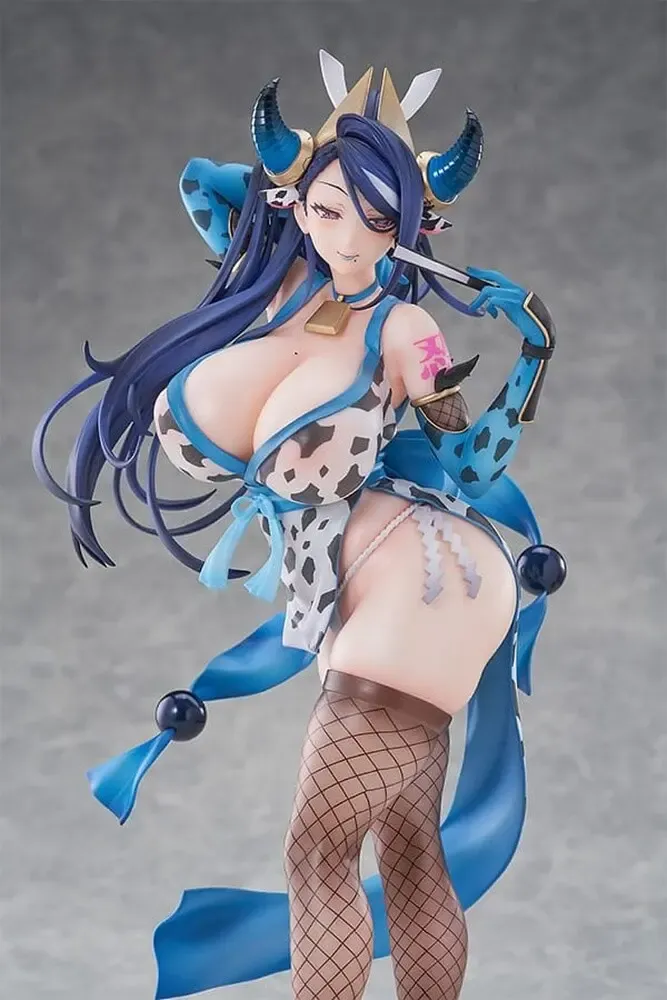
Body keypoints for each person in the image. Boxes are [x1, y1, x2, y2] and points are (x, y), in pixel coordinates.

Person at [33, 50, 566, 1000]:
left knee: (315, 849)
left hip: (417, 577)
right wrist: (308, 167)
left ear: (410, 229)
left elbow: (470, 464)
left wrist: (532, 346)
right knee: (407, 845)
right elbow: (204, 184)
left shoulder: (404, 332)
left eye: (376, 218)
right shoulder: (279, 291)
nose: (346, 234)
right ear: (296, 208)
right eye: (326, 209)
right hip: (355, 588)